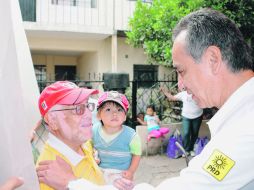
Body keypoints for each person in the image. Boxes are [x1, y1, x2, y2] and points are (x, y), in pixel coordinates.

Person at [36, 8, 254, 189]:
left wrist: (72, 184)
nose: (180, 85)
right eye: (76, 108)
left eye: (181, 71)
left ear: (213, 59)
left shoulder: (245, 129)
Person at [36, 81, 105, 189]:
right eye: (78, 108)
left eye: (87, 105)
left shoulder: (82, 144)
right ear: (52, 120)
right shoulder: (49, 174)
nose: (88, 113)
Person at [93, 91, 141, 184]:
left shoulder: (131, 136)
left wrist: (131, 171)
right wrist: (93, 156)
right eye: (108, 110)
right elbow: (88, 147)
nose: (114, 113)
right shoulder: (93, 131)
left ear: (125, 116)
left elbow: (137, 154)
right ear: (98, 115)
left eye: (119, 110)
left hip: (121, 175)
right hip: (98, 172)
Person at [161, 85, 203, 157]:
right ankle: (186, 150)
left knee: (194, 133)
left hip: (197, 115)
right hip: (186, 116)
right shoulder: (183, 94)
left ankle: (191, 149)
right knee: (186, 133)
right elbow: (172, 98)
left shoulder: (199, 93)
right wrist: (165, 92)